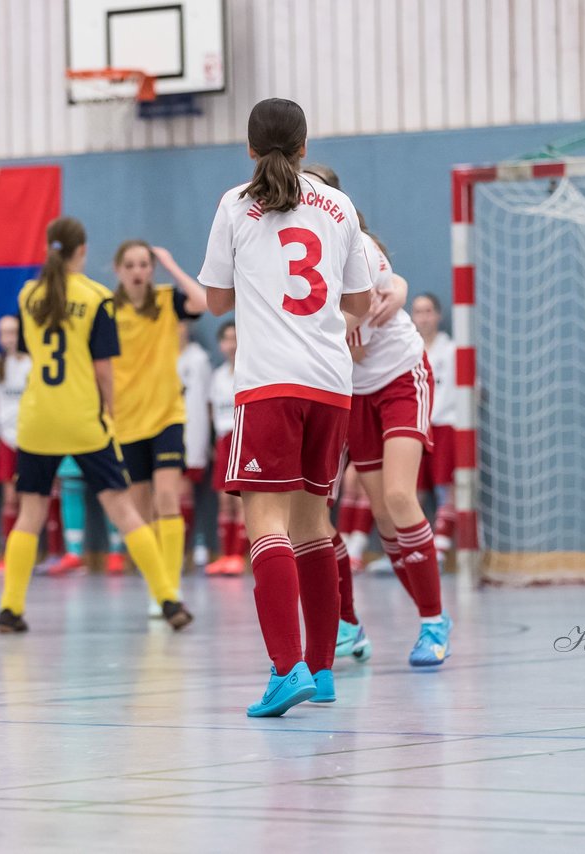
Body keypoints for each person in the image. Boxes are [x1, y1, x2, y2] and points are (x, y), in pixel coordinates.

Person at [199, 99, 373, 717]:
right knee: (313, 527)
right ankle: (322, 671)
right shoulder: (339, 205)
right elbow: (359, 299)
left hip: (269, 383)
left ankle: (285, 667)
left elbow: (216, 300)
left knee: (265, 526)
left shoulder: (234, 203)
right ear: (304, 147)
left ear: (250, 149)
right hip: (330, 385)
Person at [0, 216, 193, 633]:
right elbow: (104, 369)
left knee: (29, 513)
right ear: (82, 252)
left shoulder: (28, 294)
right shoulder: (97, 297)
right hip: (83, 418)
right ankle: (168, 600)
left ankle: (10, 609)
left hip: (36, 418)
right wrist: (110, 410)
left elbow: (32, 351)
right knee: (124, 510)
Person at [303, 163, 446, 668]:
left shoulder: (358, 250)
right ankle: (349, 624)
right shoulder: (299, 257)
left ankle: (433, 621)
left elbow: (353, 331)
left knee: (400, 496)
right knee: (371, 514)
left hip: (399, 377)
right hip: (351, 393)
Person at [112, 240, 208, 615]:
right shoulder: (108, 310)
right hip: (126, 421)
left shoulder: (168, 299)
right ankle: (158, 587)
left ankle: (171, 587)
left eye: (144, 264)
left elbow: (201, 302)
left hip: (167, 416)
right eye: (131, 265)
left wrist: (170, 263)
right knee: (140, 508)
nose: (139, 271)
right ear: (119, 270)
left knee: (168, 498)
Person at [411, 293, 458, 562]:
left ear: (438, 315)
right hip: (417, 427)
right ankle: (415, 549)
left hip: (443, 425)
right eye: (418, 311)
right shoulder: (410, 351)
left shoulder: (450, 351)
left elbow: (457, 390)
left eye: (429, 311)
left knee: (444, 485)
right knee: (411, 490)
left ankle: (439, 549)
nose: (424, 317)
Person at [0, 315, 32, 575]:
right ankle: (8, 555)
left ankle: (49, 554)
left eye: (13, 332)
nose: (8, 338)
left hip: (31, 438)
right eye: (3, 333)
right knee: (10, 498)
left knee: (37, 498)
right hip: (6, 438)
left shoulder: (32, 363)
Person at [206, 321, 246, 576]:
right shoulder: (217, 375)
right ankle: (225, 554)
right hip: (223, 439)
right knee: (224, 500)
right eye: (226, 339)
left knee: (242, 499)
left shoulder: (247, 371)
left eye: (235, 338)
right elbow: (212, 410)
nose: (231, 345)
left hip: (242, 436)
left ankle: (239, 556)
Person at [177, 321, 213, 572]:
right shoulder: (158, 352)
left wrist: (202, 442)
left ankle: (182, 551)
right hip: (162, 430)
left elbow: (205, 403)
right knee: (160, 498)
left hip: (191, 434)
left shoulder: (198, 358)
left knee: (183, 493)